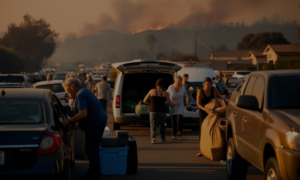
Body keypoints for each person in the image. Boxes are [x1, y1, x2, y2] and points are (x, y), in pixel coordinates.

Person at [61, 77, 107, 180]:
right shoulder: (83, 91)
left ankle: (94, 175)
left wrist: (67, 121)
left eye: (68, 92)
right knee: (91, 149)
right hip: (99, 120)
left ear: (72, 86)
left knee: (92, 149)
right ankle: (92, 172)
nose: (68, 94)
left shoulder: (80, 94)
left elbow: (83, 113)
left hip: (95, 122)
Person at [143, 78, 177, 144]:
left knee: (153, 124)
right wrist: (175, 104)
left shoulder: (151, 91)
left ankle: (153, 138)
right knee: (162, 124)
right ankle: (163, 137)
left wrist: (149, 102)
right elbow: (170, 102)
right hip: (162, 111)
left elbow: (144, 100)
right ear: (163, 85)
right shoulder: (165, 93)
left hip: (153, 110)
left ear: (156, 84)